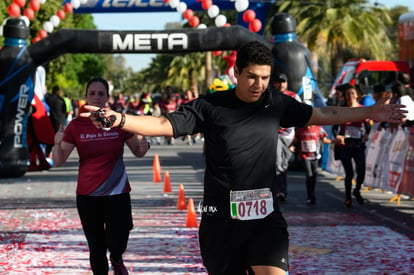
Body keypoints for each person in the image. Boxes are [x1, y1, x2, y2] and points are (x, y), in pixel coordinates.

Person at [81, 41, 406, 275]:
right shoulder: (210, 106)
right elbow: (163, 124)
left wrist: (370, 111)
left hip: (264, 219)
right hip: (220, 221)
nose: (259, 85)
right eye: (252, 76)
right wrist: (121, 119)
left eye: (264, 78)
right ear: (237, 72)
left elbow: (322, 112)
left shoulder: (275, 103)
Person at [52, 77, 150, 275]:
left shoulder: (118, 121)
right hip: (88, 195)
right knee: (96, 246)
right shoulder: (76, 126)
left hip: (118, 191)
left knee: (119, 237)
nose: (96, 98)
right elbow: (59, 160)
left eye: (101, 94)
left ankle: (116, 257)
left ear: (107, 97)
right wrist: (56, 143)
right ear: (86, 97)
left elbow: (138, 152)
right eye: (92, 94)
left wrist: (144, 144)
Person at [332, 84, 371, 207]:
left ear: (357, 95)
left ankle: (357, 190)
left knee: (361, 171)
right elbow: (334, 127)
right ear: (344, 96)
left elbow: (367, 125)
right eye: (348, 94)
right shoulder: (342, 109)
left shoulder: (362, 109)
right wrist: (337, 136)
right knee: (349, 173)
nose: (350, 96)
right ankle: (348, 197)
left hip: (358, 144)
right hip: (345, 145)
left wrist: (367, 134)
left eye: (353, 94)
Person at [272, 73, 301, 201]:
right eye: (278, 82)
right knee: (278, 163)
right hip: (275, 134)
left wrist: (297, 141)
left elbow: (302, 115)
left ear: (287, 83)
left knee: (284, 164)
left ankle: (282, 190)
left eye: (283, 82)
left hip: (290, 136)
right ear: (274, 83)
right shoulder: (270, 96)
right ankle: (279, 191)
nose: (280, 84)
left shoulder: (294, 97)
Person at [294, 125, 332, 205]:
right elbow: (295, 140)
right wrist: (291, 146)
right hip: (305, 155)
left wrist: (335, 141)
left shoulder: (319, 128)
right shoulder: (300, 129)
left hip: (315, 155)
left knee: (313, 176)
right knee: (309, 175)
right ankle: (309, 196)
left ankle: (312, 194)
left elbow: (324, 140)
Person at [45, 85, 67, 157]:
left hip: (51, 120)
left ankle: (47, 152)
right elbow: (65, 110)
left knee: (50, 136)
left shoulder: (48, 99)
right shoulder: (61, 100)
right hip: (60, 121)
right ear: (58, 91)